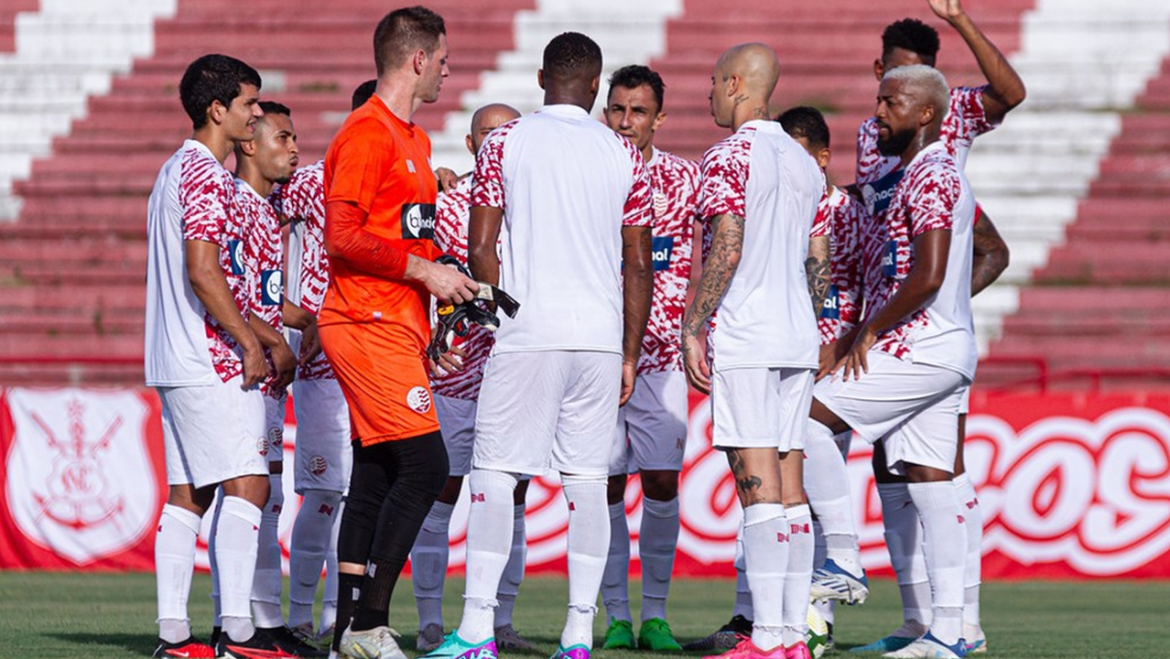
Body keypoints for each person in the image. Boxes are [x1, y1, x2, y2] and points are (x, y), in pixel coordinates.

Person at [422, 31, 654, 659]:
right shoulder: (625, 152)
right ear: (597, 87)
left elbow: (479, 247)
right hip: (601, 340)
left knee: (495, 476)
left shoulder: (506, 142)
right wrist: (629, 351)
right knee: (586, 483)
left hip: (528, 332)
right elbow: (638, 263)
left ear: (542, 78)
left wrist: (498, 317)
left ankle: (474, 631)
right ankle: (578, 633)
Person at [850, 5, 1023, 653]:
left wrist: (962, 19)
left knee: (942, 469)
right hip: (884, 319)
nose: (896, 92)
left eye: (912, 80)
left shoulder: (949, 124)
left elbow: (1011, 94)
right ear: (879, 71)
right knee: (894, 472)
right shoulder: (874, 133)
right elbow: (871, 220)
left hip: (922, 325)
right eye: (891, 77)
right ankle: (918, 621)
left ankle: (963, 622)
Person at [316, 7, 478, 659]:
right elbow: (342, 237)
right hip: (362, 320)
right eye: (442, 57)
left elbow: (407, 240)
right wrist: (422, 272)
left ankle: (345, 632)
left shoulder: (412, 140)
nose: (447, 66)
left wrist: (436, 312)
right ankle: (367, 626)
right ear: (416, 59)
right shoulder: (367, 134)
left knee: (381, 472)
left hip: (395, 324)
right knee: (427, 464)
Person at [810, 64, 977, 659]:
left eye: (892, 102)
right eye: (879, 100)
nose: (878, 112)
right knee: (933, 484)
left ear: (926, 114)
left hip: (921, 344)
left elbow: (927, 275)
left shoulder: (932, 174)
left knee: (805, 420)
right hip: (940, 347)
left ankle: (844, 556)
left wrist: (867, 333)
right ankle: (950, 632)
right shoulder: (914, 174)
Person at [681, 43, 828, 659]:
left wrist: (694, 323)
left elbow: (729, 243)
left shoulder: (729, 156)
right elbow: (817, 258)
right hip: (798, 335)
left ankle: (767, 638)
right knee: (792, 487)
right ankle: (794, 634)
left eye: (715, 82)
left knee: (757, 487)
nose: (709, 93)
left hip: (749, 332)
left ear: (737, 83)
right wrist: (807, 322)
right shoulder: (803, 163)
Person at [145, 54, 291, 659]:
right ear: (218, 109)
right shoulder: (205, 175)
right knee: (250, 486)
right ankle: (238, 634)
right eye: (249, 104)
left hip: (172, 357)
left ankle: (174, 637)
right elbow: (205, 272)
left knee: (189, 496)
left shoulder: (171, 170)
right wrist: (251, 342)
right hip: (209, 359)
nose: (255, 114)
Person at [409, 102, 539, 654]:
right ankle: (431, 620)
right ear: (469, 143)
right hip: (457, 375)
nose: (496, 143)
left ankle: (500, 621)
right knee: (441, 493)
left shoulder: (536, 203)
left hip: (517, 369)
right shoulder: (443, 202)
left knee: (514, 495)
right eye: (487, 134)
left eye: (506, 134)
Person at [597, 64, 700, 653]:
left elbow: (717, 249)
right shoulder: (591, 175)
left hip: (660, 359)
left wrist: (697, 327)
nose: (626, 121)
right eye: (617, 109)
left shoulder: (685, 180)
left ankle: (655, 615)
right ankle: (615, 615)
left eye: (638, 111)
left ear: (659, 118)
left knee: (661, 481)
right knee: (605, 485)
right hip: (597, 357)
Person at [275, 81, 375, 649]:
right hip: (325, 357)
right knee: (326, 491)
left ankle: (347, 619)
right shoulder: (314, 181)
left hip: (381, 350)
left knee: (367, 490)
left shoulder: (403, 180)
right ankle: (299, 616)